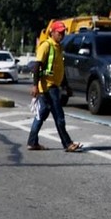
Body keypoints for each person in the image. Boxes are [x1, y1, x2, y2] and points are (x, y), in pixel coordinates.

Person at [26, 21, 83, 153]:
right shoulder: (46, 46)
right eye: (59, 32)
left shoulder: (59, 47)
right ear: (52, 32)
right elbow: (36, 67)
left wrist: (66, 85)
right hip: (48, 87)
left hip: (54, 86)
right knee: (59, 116)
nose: (62, 35)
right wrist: (35, 86)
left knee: (41, 115)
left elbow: (59, 69)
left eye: (63, 32)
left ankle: (32, 142)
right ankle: (67, 143)